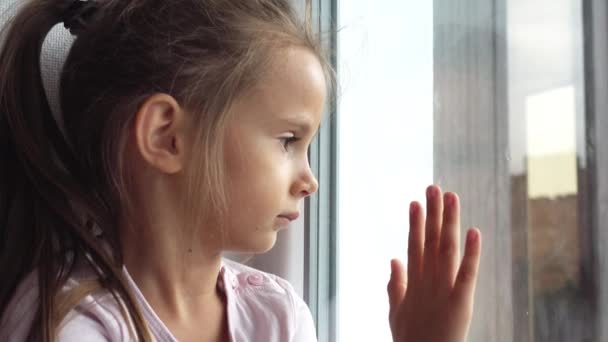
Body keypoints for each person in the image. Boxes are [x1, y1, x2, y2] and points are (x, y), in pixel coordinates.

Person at [0, 0, 482, 341]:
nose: (309, 180)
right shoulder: (68, 324)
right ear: (167, 137)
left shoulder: (277, 314)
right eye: (288, 141)